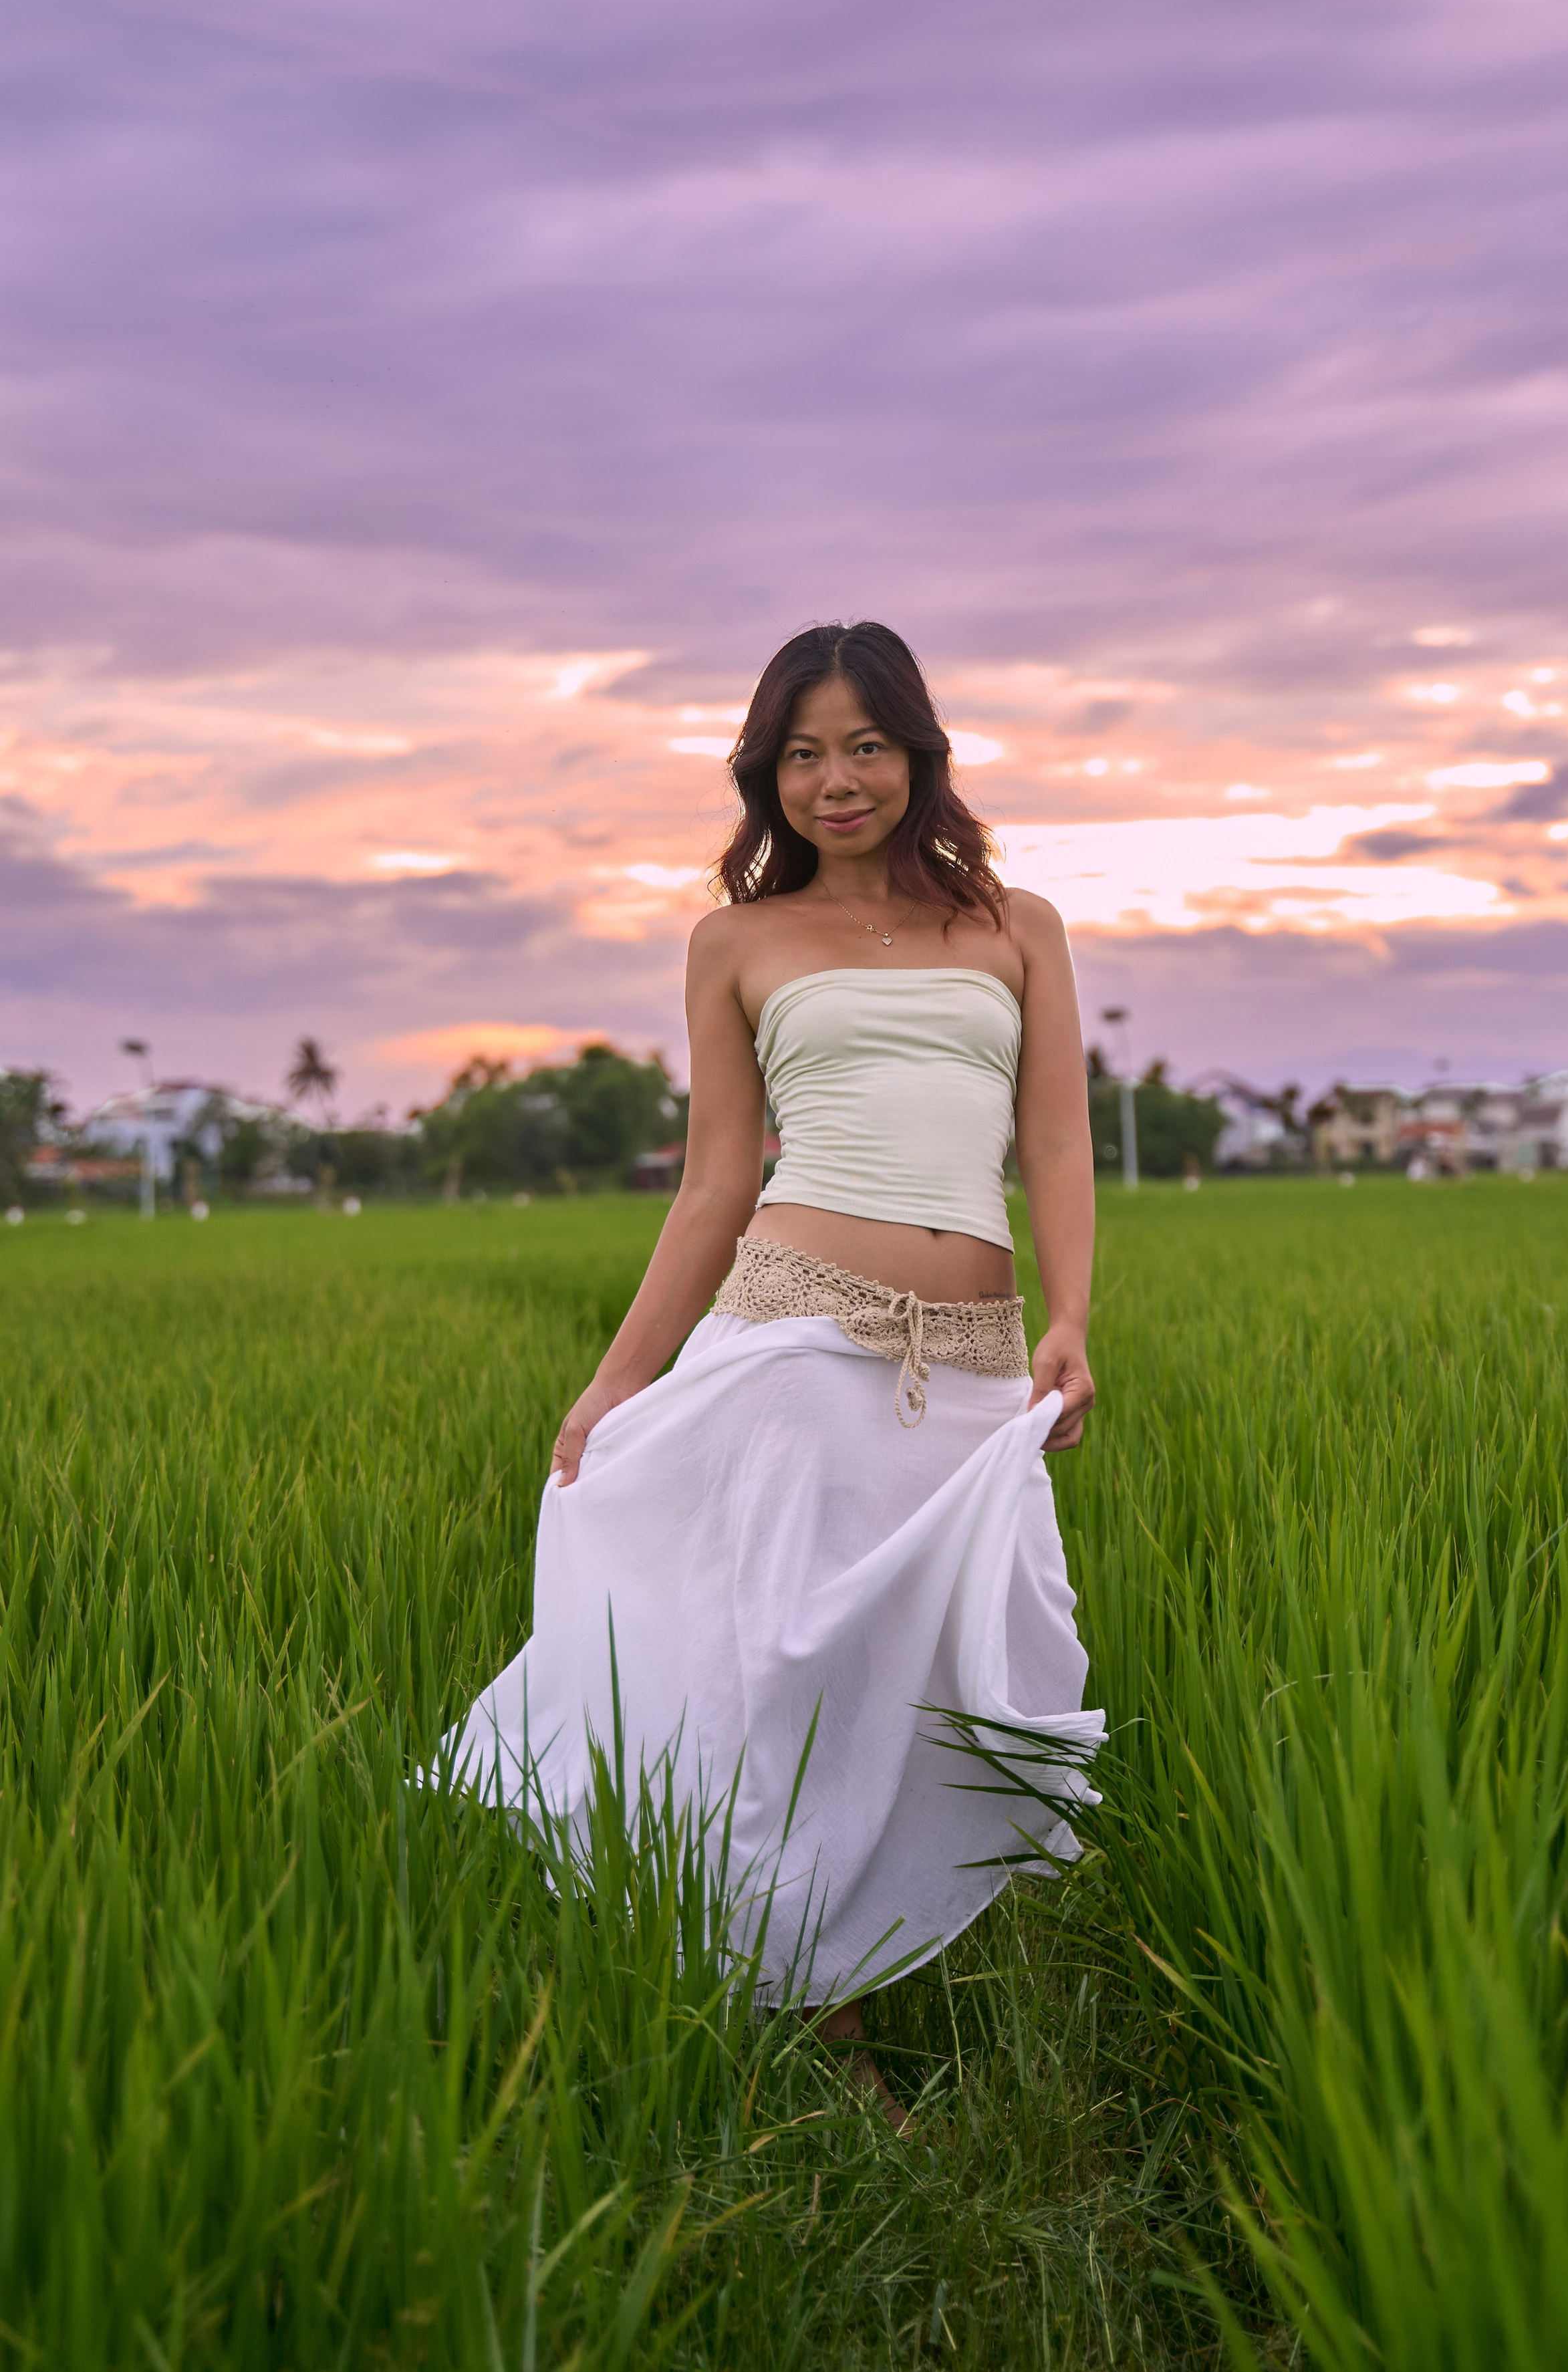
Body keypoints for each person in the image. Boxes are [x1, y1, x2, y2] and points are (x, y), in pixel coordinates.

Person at [440, 621, 1103, 2125]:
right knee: (795, 1674)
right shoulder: (733, 942)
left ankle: (859, 1949)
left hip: (979, 1366)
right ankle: (823, 2018)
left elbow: (1052, 1137)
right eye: (799, 752)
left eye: (863, 743)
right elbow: (714, 1181)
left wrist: (1072, 1317)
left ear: (916, 752)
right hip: (795, 1336)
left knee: (946, 1668)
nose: (834, 778)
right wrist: (617, 1379)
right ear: (766, 773)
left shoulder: (1015, 923)